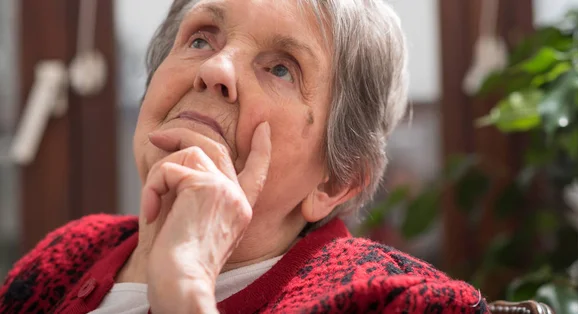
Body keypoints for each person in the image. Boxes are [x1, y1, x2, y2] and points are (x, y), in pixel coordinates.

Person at [0, 0, 489, 313]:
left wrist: (187, 285)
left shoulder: (394, 301)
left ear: (334, 183)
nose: (216, 68)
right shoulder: (69, 255)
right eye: (200, 38)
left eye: (280, 68)